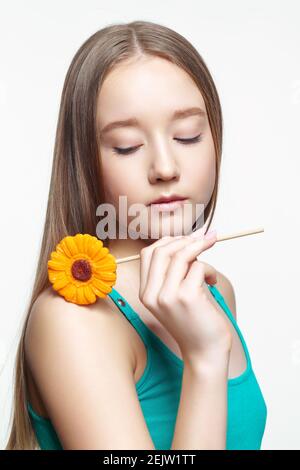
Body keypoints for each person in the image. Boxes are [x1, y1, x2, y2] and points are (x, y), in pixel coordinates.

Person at [5, 20, 267, 450]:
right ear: (84, 161)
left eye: (188, 135)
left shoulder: (216, 294)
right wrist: (203, 359)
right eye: (126, 146)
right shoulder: (72, 320)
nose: (165, 167)